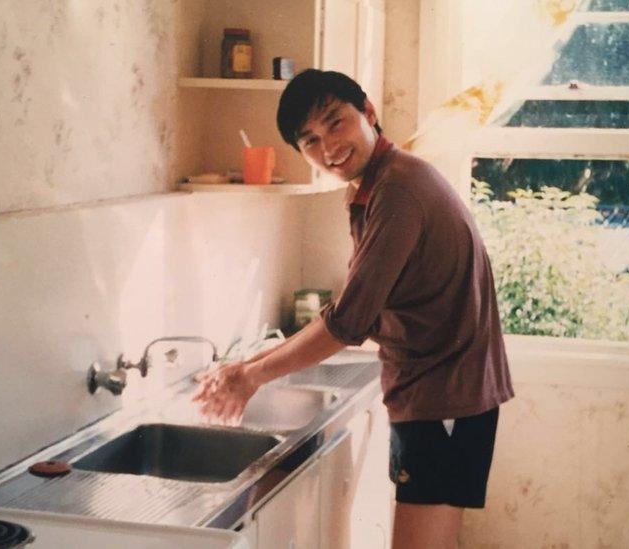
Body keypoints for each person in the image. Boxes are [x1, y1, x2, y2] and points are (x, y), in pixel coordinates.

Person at [193, 69, 514, 549]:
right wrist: (247, 367)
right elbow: (350, 311)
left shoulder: (398, 191)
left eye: (336, 123)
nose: (328, 148)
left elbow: (345, 324)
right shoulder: (385, 180)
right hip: (445, 392)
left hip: (444, 397)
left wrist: (251, 376)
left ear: (368, 113)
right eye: (311, 140)